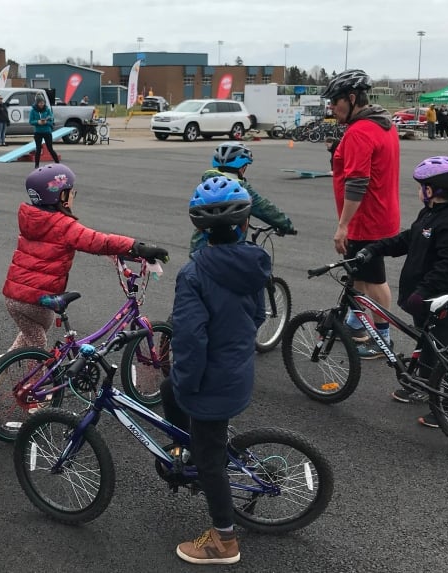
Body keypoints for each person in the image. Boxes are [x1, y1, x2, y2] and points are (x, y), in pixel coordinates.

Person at [161, 175, 271, 565]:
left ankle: (224, 541)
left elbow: (190, 340)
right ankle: (186, 445)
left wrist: (186, 382)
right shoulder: (255, 264)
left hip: (210, 382)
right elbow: (259, 314)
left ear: (202, 230)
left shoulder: (195, 274)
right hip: (237, 371)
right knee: (168, 391)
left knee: (209, 461)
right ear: (244, 225)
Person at [353, 156, 448, 428]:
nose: (419, 190)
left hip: (442, 299)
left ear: (432, 189)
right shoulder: (430, 214)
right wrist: (375, 248)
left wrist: (424, 290)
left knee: (443, 348)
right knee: (427, 341)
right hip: (423, 297)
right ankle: (423, 385)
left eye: (422, 186)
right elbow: (409, 239)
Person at [2, 164, 168, 351]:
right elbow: (99, 242)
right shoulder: (63, 225)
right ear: (61, 196)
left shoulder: (31, 219)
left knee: (31, 334)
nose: (73, 196)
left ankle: (2, 367)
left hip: (13, 297)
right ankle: (36, 381)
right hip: (35, 300)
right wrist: (135, 246)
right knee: (38, 345)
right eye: (71, 193)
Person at [322, 69, 402, 359]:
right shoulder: (384, 125)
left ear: (352, 98)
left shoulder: (360, 132)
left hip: (366, 221)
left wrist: (342, 226)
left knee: (374, 280)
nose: (332, 108)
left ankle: (382, 338)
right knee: (356, 273)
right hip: (381, 214)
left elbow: (358, 182)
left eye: (335, 102)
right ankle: (356, 323)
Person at [192, 142, 296, 253]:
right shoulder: (239, 189)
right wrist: (286, 225)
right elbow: (264, 208)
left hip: (199, 251)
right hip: (229, 252)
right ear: (242, 167)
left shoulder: (208, 184)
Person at [30, 94, 60, 168]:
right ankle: (37, 165)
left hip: (47, 132)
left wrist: (46, 122)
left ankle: (58, 163)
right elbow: (31, 121)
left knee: (50, 148)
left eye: (43, 103)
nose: (41, 104)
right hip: (38, 132)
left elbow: (51, 120)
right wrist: (38, 122)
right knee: (38, 149)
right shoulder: (33, 110)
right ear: (37, 103)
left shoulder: (47, 110)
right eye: (40, 103)